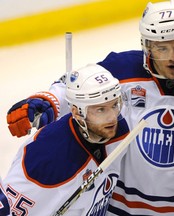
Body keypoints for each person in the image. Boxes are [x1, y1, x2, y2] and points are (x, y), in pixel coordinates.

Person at [6, 0, 174, 215]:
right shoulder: (122, 68)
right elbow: (81, 87)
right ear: (147, 46)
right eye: (162, 48)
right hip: (122, 207)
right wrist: (50, 100)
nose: (173, 57)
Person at [3, 64, 131, 215]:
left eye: (114, 105)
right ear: (77, 113)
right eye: (100, 110)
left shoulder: (118, 128)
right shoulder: (48, 158)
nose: (112, 118)